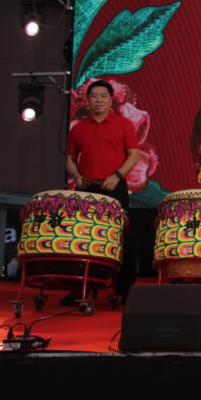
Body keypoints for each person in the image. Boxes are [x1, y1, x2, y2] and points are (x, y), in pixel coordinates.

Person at [65, 79, 141, 300]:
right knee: (82, 235)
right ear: (87, 100)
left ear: (110, 100)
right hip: (86, 188)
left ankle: (124, 289)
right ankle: (81, 288)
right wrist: (76, 176)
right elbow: (70, 158)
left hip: (114, 187)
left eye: (103, 96)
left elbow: (134, 154)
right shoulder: (79, 128)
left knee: (120, 236)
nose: (98, 100)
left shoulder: (124, 125)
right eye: (94, 96)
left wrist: (117, 175)